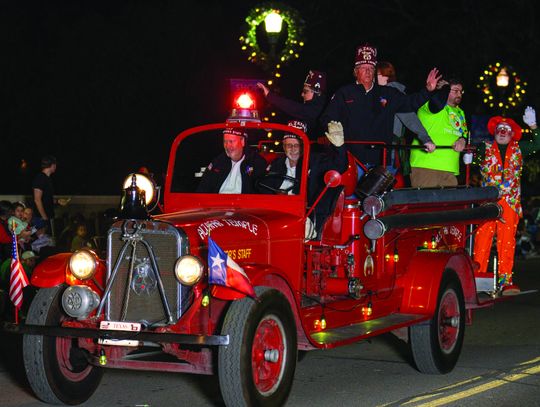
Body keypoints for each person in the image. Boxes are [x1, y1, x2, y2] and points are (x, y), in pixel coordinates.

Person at [321, 44, 442, 172]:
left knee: (381, 192)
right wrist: (332, 128)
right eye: (363, 67)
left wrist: (428, 90)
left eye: (371, 68)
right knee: (350, 193)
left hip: (381, 163)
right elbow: (326, 118)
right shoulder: (344, 93)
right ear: (356, 71)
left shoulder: (388, 93)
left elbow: (410, 103)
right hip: (351, 161)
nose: (368, 71)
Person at [473, 108, 540, 295]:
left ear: (512, 134)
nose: (503, 132)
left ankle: (505, 281)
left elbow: (538, 143)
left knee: (507, 242)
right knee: (482, 240)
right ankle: (477, 278)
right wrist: (465, 154)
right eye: (500, 128)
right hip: (488, 202)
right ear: (494, 131)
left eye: (506, 129)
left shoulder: (520, 149)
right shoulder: (483, 148)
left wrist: (533, 126)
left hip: (510, 203)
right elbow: (468, 154)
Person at [262, 120, 348, 237]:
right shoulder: (276, 164)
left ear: (305, 146)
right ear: (283, 146)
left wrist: (339, 147)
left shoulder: (316, 161)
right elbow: (263, 190)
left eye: (297, 145)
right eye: (289, 145)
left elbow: (340, 165)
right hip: (276, 214)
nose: (293, 149)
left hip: (305, 215)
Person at [376, 61, 435, 177]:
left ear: (384, 76)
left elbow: (410, 118)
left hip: (387, 152)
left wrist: (425, 138)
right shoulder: (375, 93)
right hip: (379, 150)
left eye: (376, 74)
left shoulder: (390, 94)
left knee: (376, 190)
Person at [409, 78, 468, 187]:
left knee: (449, 203)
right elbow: (437, 103)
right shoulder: (428, 105)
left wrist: (462, 140)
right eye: (455, 91)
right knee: (426, 202)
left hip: (450, 168)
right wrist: (443, 89)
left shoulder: (460, 112)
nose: (459, 94)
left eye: (461, 91)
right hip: (427, 166)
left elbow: (463, 132)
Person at [257, 70, 327, 140]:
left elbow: (296, 109)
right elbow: (298, 125)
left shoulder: (321, 109)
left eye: (305, 91)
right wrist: (274, 127)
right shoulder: (308, 112)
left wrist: (270, 96)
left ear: (317, 94)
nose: (302, 94)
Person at [197, 128, 267, 194]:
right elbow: (203, 188)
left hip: (245, 204)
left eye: (231, 141)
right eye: (225, 141)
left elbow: (264, 191)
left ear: (242, 141)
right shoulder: (218, 162)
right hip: (217, 204)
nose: (227, 146)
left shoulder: (256, 162)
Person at [32, 155, 57, 234]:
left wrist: (58, 201)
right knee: (40, 243)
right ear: (52, 165)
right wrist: (45, 218)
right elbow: (37, 199)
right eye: (55, 165)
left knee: (48, 243)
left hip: (46, 217)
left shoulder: (47, 179)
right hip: (41, 218)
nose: (56, 167)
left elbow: (45, 198)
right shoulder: (40, 178)